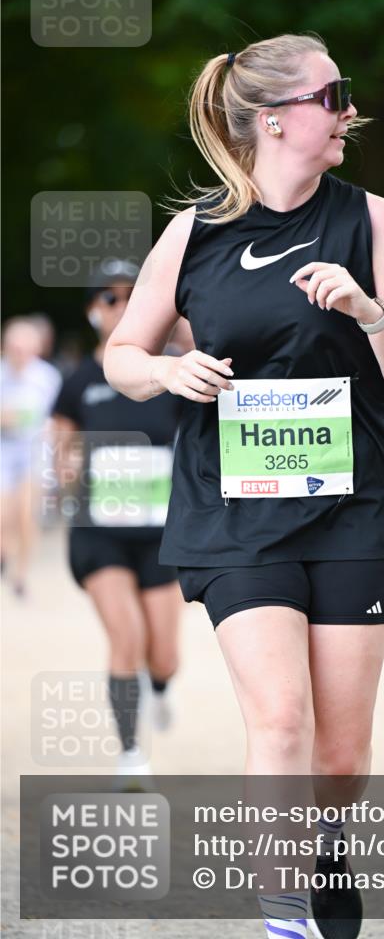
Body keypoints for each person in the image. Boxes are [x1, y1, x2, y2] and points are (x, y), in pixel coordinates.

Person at [103, 33, 384, 939]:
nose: (348, 111)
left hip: (356, 507)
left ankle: (326, 840)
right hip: (235, 510)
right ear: (272, 120)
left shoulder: (372, 220)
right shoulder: (196, 232)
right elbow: (123, 352)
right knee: (281, 721)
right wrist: (164, 372)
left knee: (336, 754)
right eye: (331, 96)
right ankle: (285, 921)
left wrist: (367, 312)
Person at [50, 270, 185, 781]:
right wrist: (64, 466)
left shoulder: (169, 371)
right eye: (111, 297)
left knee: (164, 657)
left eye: (133, 295)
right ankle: (131, 754)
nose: (122, 304)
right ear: (93, 310)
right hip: (99, 531)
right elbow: (59, 443)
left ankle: (161, 687)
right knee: (126, 637)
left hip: (159, 534)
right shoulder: (79, 380)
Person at [1, 317, 62, 598]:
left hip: (34, 451)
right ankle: (4, 551)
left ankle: (21, 574)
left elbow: (56, 419)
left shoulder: (47, 377)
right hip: (4, 449)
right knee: (4, 513)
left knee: (27, 514)